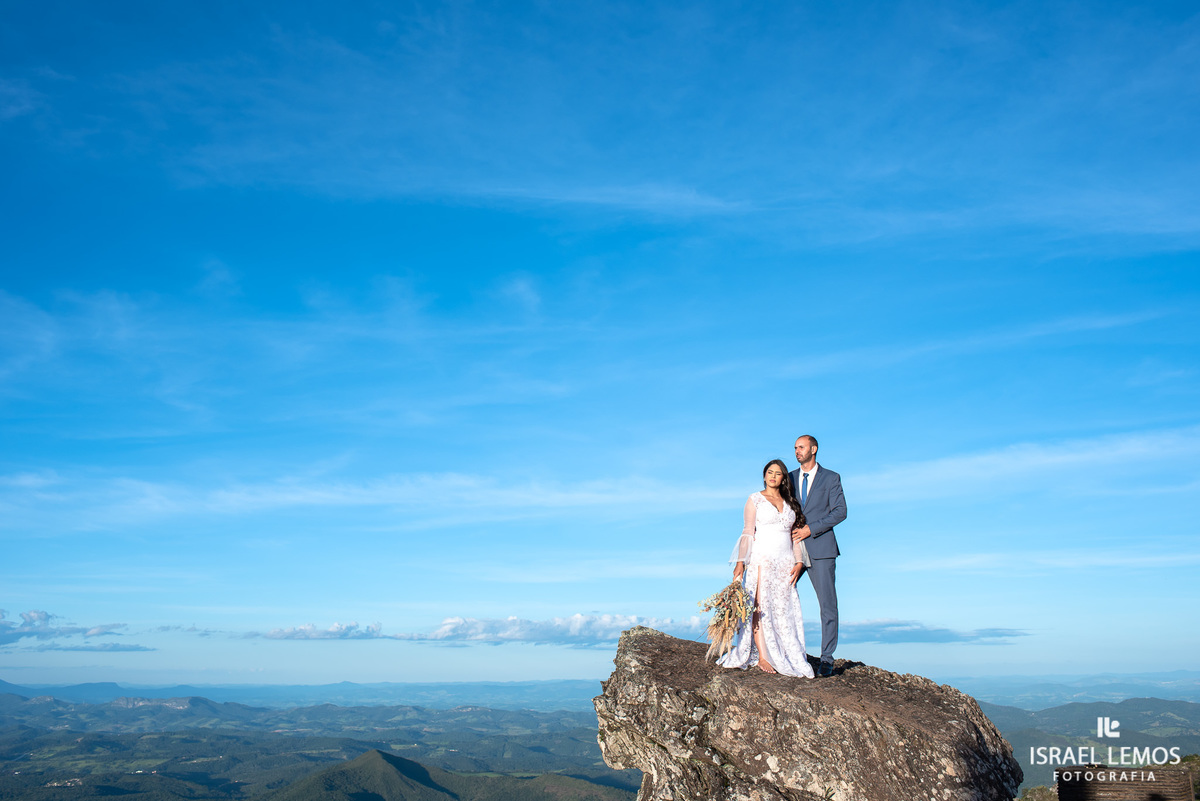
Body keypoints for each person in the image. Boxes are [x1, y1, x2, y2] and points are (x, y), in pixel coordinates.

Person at [717, 459, 815, 677]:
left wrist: (799, 562)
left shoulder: (791, 503)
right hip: (762, 559)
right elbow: (747, 532)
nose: (773, 476)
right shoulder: (755, 499)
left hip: (785, 562)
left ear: (783, 479)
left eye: (778, 473)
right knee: (759, 607)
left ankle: (785, 652)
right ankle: (762, 656)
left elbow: (796, 537)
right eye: (770, 472)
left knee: (782, 608)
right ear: (764, 476)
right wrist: (741, 563)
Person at [789, 435, 847, 677]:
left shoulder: (831, 478)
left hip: (820, 547)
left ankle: (826, 659)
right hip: (791, 548)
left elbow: (840, 511)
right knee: (778, 594)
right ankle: (781, 651)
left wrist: (811, 529)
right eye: (794, 448)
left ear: (814, 449)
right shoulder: (789, 477)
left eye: (801, 447)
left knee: (827, 605)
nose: (797, 451)